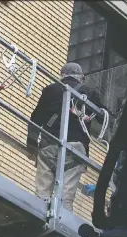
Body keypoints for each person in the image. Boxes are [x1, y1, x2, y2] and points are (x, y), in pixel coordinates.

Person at [29, 62, 107, 212]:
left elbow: (36, 118)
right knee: (66, 195)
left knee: (42, 190)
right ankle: (62, 223)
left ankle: (38, 214)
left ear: (62, 75)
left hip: (49, 144)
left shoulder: (50, 90)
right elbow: (103, 118)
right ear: (81, 78)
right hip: (75, 148)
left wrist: (31, 144)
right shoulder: (88, 93)